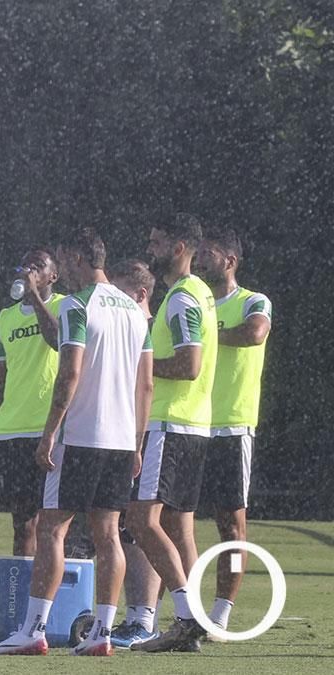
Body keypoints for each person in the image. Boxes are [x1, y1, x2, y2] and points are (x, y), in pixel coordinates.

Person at [0, 228, 153, 657]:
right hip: (120, 439)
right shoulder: (136, 312)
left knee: (51, 529)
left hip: (80, 436)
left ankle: (34, 629)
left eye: (65, 257)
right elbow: (146, 385)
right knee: (108, 535)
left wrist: (50, 433)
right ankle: (102, 632)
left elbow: (69, 374)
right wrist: (136, 443)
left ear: (78, 258)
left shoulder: (77, 307)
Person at [128, 213, 219, 654]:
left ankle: (184, 618)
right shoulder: (198, 293)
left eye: (157, 240)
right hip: (193, 425)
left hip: (171, 424)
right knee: (179, 529)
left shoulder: (183, 297)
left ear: (180, 247)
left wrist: (141, 365)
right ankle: (194, 619)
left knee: (140, 521)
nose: (151, 247)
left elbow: (189, 365)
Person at [195, 228, 272, 634]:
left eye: (209, 254)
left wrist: (207, 337)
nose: (201, 260)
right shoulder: (196, 302)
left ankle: (222, 611)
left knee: (231, 526)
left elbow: (255, 333)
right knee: (170, 520)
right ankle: (169, 607)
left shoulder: (252, 301)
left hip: (231, 429)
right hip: (190, 424)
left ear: (230, 261)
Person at [0, 249, 64, 556]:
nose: (29, 270)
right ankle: (23, 595)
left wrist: (35, 298)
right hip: (12, 430)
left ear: (52, 276)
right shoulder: (4, 319)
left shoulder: (64, 306)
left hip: (51, 430)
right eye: (25, 265)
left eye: (38, 266)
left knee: (54, 522)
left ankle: (50, 596)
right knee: (23, 522)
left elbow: (56, 339)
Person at [107, 258, 166, 648]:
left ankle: (144, 618)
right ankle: (137, 616)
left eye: (120, 292)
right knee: (127, 526)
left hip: (141, 435)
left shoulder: (142, 327)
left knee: (140, 525)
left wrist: (137, 442)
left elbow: (144, 389)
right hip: (120, 434)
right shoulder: (128, 325)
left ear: (140, 295)